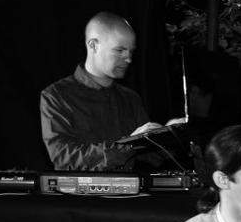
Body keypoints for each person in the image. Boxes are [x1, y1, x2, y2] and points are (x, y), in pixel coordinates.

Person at [40, 11, 185, 171]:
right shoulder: (56, 95)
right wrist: (128, 144)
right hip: (84, 188)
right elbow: (64, 159)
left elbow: (151, 158)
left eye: (131, 51)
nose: (128, 59)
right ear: (93, 45)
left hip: (133, 187)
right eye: (120, 50)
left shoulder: (130, 98)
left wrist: (168, 135)